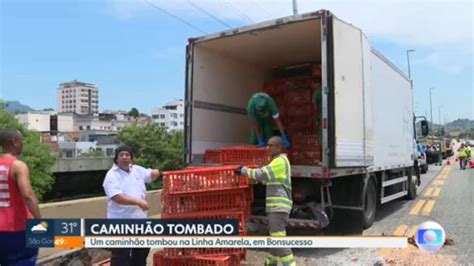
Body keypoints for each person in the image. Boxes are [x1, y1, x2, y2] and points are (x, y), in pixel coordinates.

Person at [235, 136, 295, 266]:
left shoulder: (280, 161)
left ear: (279, 147)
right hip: (277, 208)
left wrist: (244, 170)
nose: (268, 148)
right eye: (267, 145)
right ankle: (270, 263)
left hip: (279, 207)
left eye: (271, 145)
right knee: (275, 237)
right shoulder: (277, 162)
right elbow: (265, 178)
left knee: (279, 240)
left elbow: (262, 174)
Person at [103, 146, 161, 266]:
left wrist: (156, 173)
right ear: (116, 159)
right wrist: (138, 202)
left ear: (131, 158)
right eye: (121, 155)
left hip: (140, 221)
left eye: (127, 155)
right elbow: (116, 197)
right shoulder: (111, 175)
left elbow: (151, 174)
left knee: (141, 253)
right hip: (120, 222)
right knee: (121, 256)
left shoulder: (137, 170)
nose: (124, 157)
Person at [0, 128, 42, 266]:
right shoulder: (18, 166)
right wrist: (40, 221)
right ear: (15, 142)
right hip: (16, 229)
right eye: (21, 141)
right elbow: (28, 195)